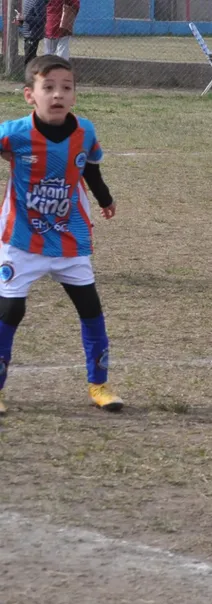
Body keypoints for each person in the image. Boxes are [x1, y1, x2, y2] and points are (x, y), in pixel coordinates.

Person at [0, 56, 122, 415]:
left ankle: (99, 385)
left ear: (74, 95)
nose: (57, 95)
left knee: (91, 309)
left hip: (70, 238)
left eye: (66, 88)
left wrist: (106, 199)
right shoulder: (14, 133)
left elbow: (92, 171)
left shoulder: (86, 132)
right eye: (48, 87)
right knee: (10, 309)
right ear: (29, 95)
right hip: (21, 239)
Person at [16, 0, 48, 67]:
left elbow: (41, 19)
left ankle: (29, 76)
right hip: (27, 33)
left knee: (29, 61)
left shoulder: (38, 1)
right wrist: (20, 21)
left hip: (33, 34)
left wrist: (25, 18)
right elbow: (27, 16)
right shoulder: (25, 1)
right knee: (31, 59)